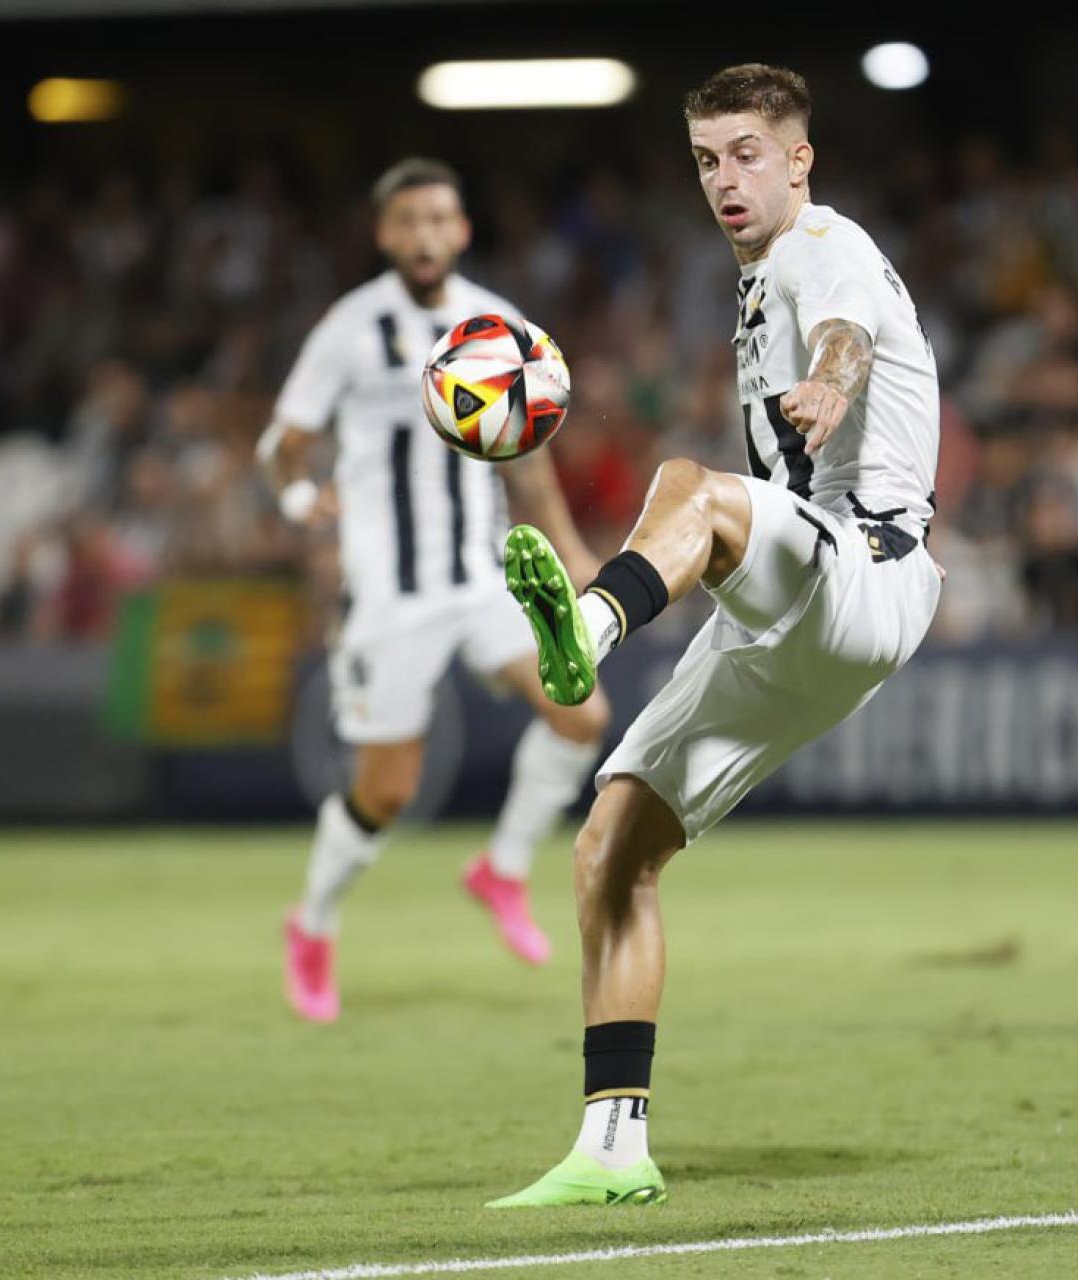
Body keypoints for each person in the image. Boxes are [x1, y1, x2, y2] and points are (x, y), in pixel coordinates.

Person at [485, 64, 942, 1208]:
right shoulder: (745, 281)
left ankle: (588, 623)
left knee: (694, 480)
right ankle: (611, 1144)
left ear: (799, 158)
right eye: (704, 159)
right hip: (781, 615)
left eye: (746, 152)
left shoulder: (818, 246)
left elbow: (844, 334)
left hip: (866, 565)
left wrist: (832, 387)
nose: (724, 179)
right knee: (610, 849)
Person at [259, 158, 610, 1023]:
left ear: (461, 230)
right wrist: (305, 498)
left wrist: (570, 551)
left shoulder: (497, 326)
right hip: (390, 592)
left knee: (583, 714)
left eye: (439, 220)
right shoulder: (351, 327)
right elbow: (284, 444)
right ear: (386, 235)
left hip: (481, 572)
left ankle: (502, 868)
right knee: (386, 791)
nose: (424, 235)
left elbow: (529, 456)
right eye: (407, 221)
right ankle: (312, 923)